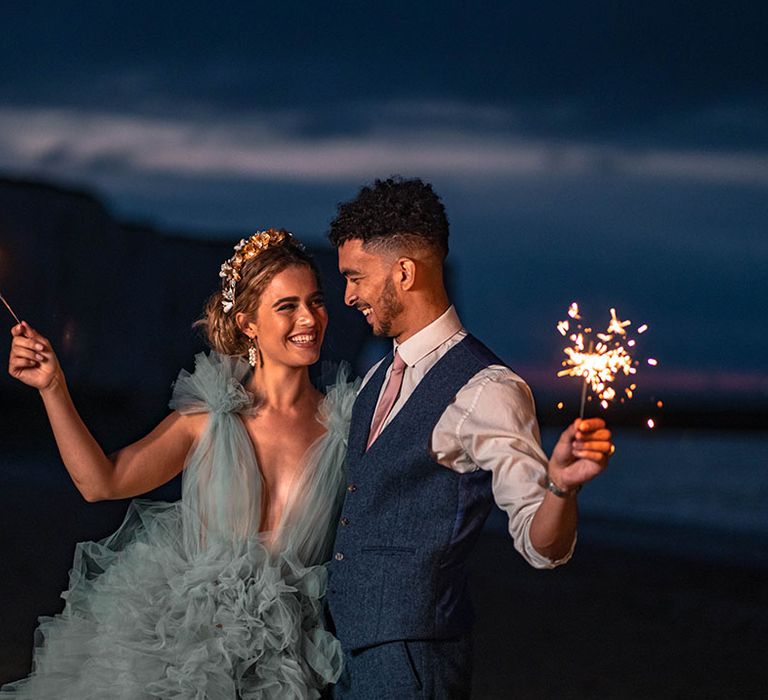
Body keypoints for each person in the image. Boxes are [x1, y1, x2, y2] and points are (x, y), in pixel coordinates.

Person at [2, 229, 357, 699]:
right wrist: (53, 388)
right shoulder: (210, 415)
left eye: (315, 301)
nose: (308, 318)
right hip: (183, 649)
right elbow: (102, 483)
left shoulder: (348, 426)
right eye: (286, 306)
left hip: (291, 658)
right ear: (248, 322)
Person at [325, 178, 615, 698]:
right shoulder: (374, 380)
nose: (347, 295)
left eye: (355, 278)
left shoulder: (488, 390)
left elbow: (541, 546)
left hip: (413, 663)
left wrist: (561, 487)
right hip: (343, 652)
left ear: (404, 272)